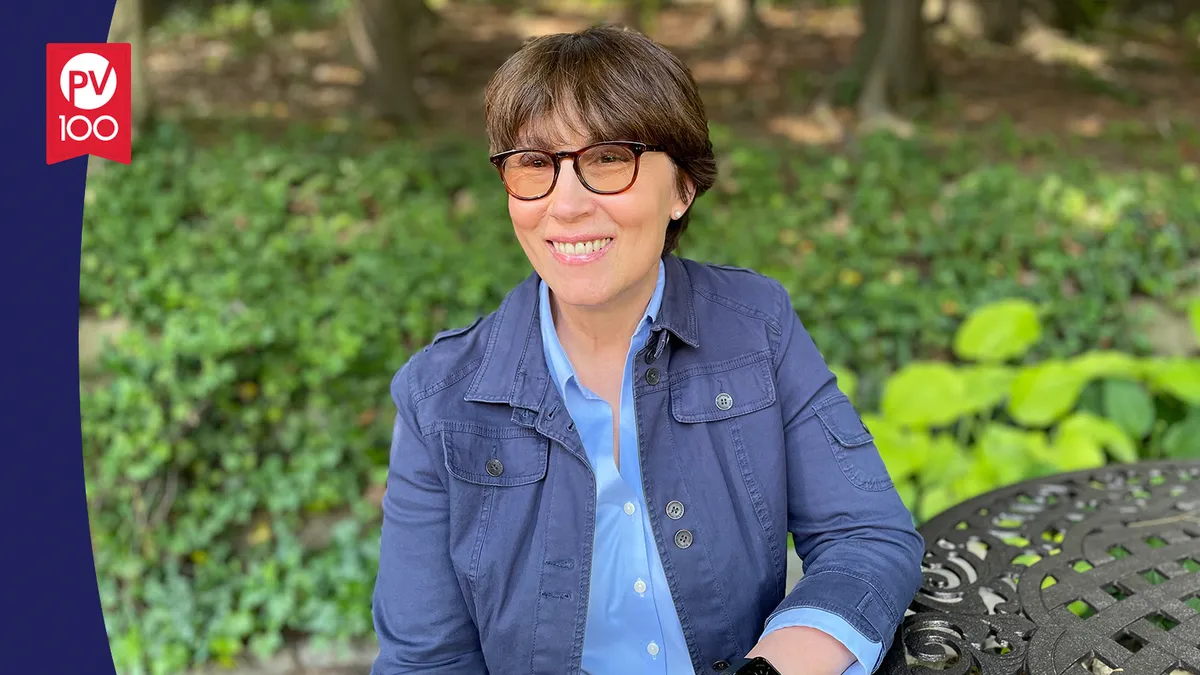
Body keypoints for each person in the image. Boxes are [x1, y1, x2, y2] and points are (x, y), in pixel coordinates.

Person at [370, 24, 925, 675]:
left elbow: (866, 535)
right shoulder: (437, 397)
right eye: (534, 163)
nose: (566, 204)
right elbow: (425, 660)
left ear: (682, 188)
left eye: (608, 158)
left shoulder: (755, 327)